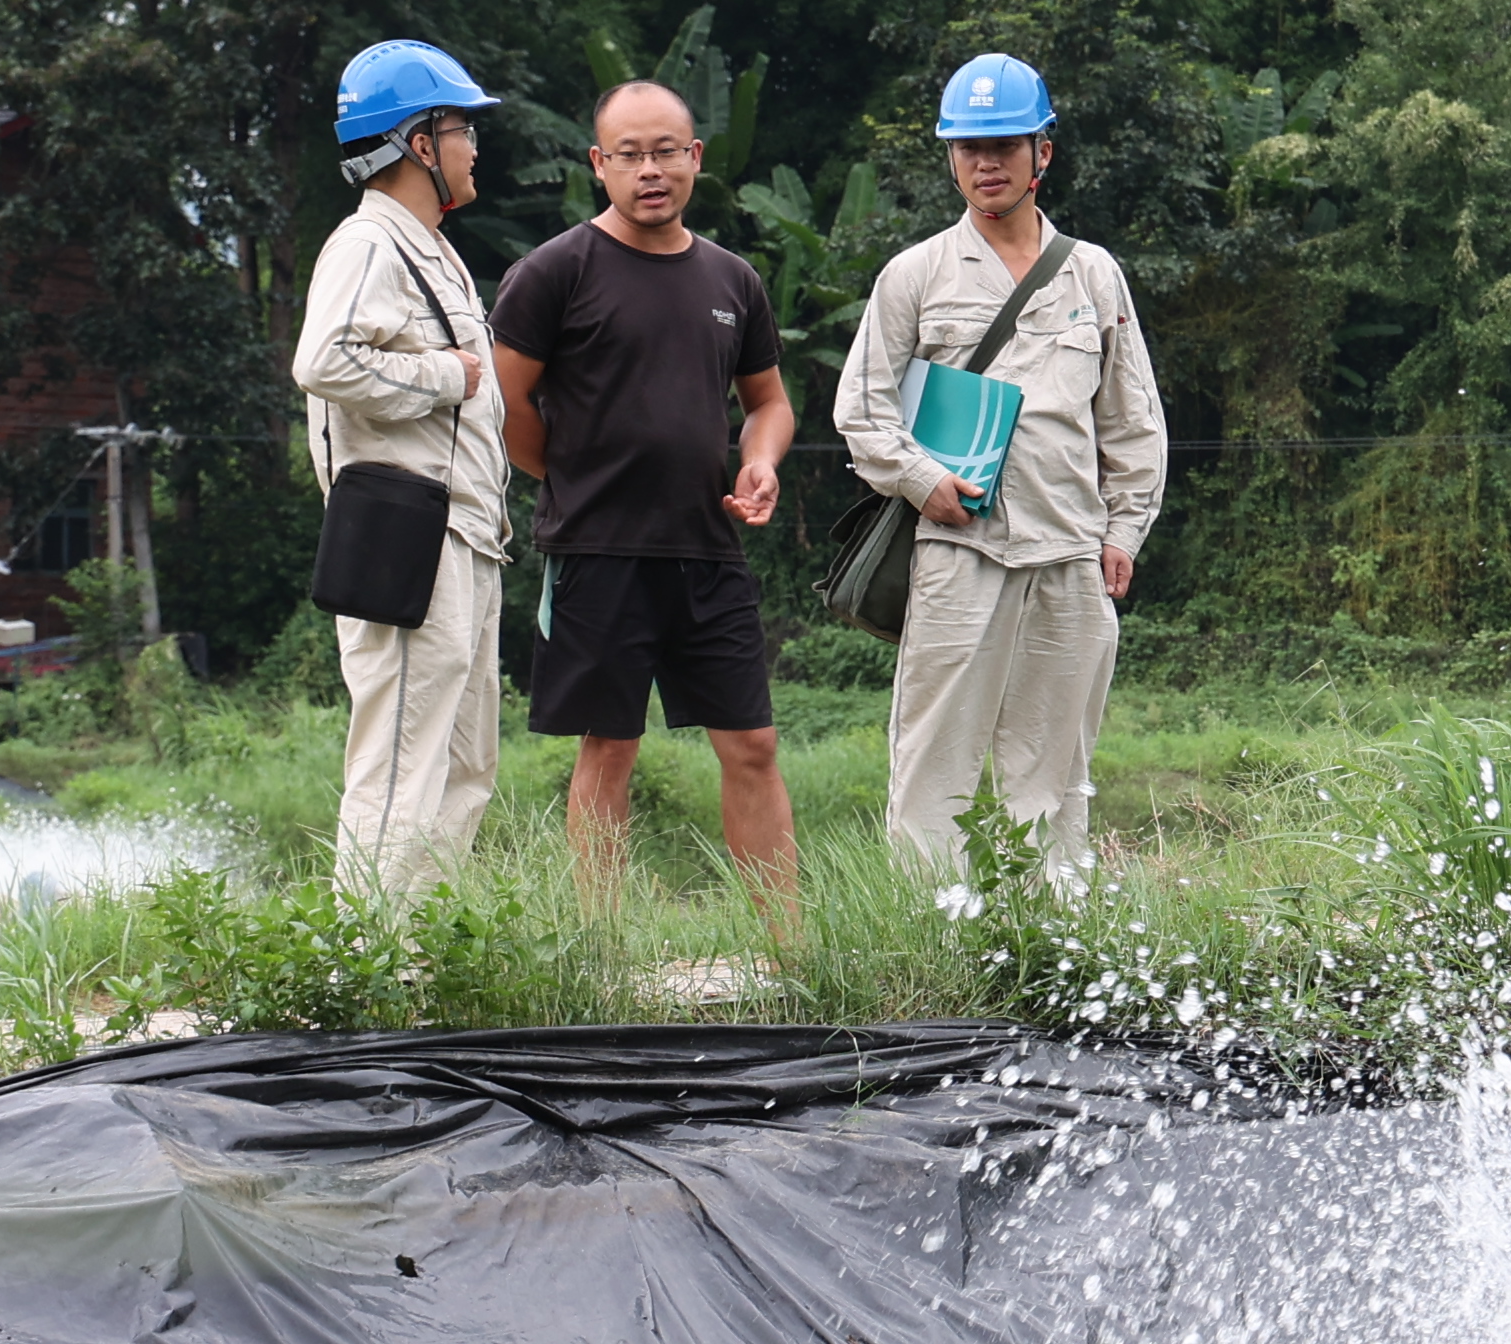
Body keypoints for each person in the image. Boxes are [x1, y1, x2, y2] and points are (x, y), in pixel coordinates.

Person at [834, 51, 1166, 884]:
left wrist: (1125, 528)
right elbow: (861, 412)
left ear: (1042, 154)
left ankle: (1052, 945)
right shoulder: (916, 275)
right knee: (932, 771)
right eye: (969, 147)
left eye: (1006, 146)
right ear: (950, 157)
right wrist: (920, 482)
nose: (987, 164)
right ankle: (925, 952)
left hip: (1071, 554)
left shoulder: (1092, 274)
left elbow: (1132, 421)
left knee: (1056, 775)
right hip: (958, 553)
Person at [493, 81, 797, 908]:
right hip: (597, 551)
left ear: (695, 159)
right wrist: (559, 475)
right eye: (629, 155)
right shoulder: (555, 272)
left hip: (709, 547)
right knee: (609, 747)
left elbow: (767, 403)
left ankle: (792, 955)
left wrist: (758, 461)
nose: (650, 170)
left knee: (754, 745)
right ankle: (596, 953)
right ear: (600, 165)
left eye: (666, 151)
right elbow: (507, 400)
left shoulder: (733, 280)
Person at [289, 38, 511, 904]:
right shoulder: (370, 244)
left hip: (464, 536)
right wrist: (441, 376)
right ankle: (365, 971)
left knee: (463, 766)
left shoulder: (429, 246)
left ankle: (422, 966)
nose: (473, 146)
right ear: (420, 142)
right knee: (401, 764)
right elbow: (325, 361)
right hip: (407, 538)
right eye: (462, 128)